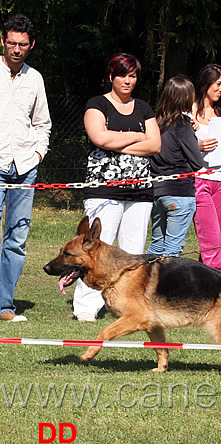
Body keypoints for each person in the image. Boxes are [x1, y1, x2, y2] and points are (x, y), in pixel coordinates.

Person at [73, 53, 161, 322]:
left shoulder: (144, 108)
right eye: (122, 75)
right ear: (111, 76)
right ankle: (86, 307)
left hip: (140, 192)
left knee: (132, 255)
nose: (127, 80)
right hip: (104, 190)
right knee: (95, 250)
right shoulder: (97, 104)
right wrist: (135, 136)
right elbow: (99, 138)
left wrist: (117, 140)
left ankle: (127, 305)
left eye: (132, 76)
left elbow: (155, 145)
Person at [0, 14, 51, 322]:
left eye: (22, 45)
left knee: (16, 240)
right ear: (3, 41)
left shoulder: (35, 78)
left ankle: (4, 306)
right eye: (11, 43)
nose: (16, 49)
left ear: (31, 45)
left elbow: (43, 122)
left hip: (24, 166)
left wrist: (38, 153)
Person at [147, 75, 203, 256]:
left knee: (156, 246)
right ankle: (167, 285)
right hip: (179, 193)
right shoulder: (183, 126)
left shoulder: (155, 123)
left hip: (157, 192)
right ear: (188, 98)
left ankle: (146, 282)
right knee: (172, 250)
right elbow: (197, 162)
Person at [192, 64, 221, 274]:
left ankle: (202, 285)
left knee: (216, 241)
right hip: (200, 179)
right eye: (217, 84)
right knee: (209, 240)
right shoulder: (187, 111)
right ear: (205, 82)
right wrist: (197, 147)